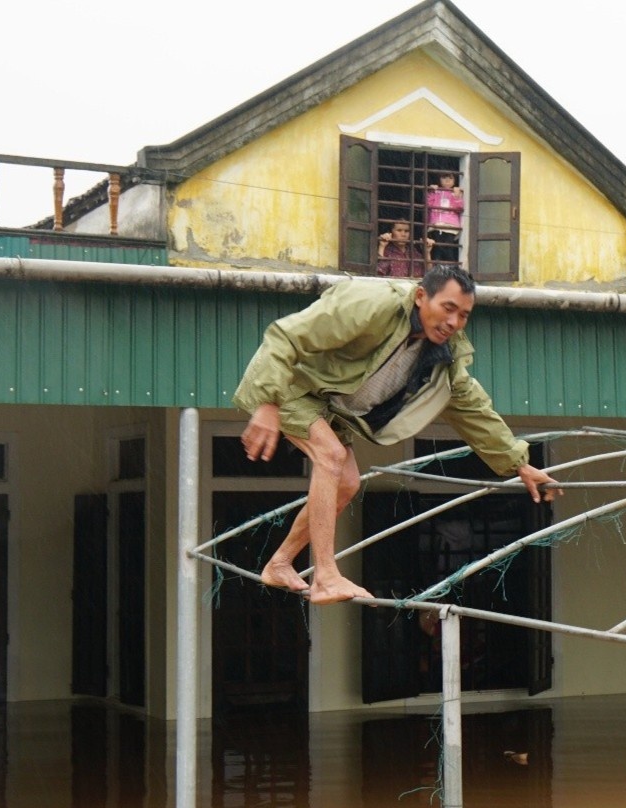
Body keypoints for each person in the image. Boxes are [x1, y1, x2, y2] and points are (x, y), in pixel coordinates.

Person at [233, 265, 562, 604]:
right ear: (421, 296)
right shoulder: (371, 304)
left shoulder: (443, 355)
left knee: (347, 483)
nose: (453, 322)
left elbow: (472, 407)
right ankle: (326, 577)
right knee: (330, 456)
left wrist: (518, 464)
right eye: (448, 308)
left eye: (464, 315)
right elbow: (286, 336)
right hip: (289, 385)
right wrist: (269, 402)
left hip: (328, 404)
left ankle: (280, 563)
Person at [425, 172, 465, 264]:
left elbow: (459, 208)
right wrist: (431, 192)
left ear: (454, 180)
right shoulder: (436, 192)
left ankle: (451, 266)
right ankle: (438, 266)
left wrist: (456, 196)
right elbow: (429, 204)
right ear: (439, 179)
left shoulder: (455, 192)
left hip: (450, 226)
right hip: (436, 225)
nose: (447, 180)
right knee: (437, 248)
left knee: (447, 247)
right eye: (444, 178)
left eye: (450, 178)